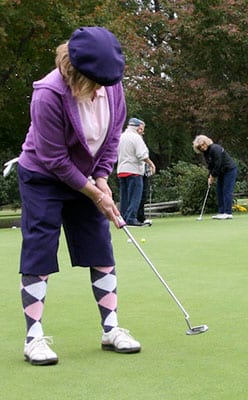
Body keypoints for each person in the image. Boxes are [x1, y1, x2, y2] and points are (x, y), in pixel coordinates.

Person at [16, 27, 141, 366]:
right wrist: (94, 193)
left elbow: (112, 137)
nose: (102, 87)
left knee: (100, 248)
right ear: (75, 72)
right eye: (95, 81)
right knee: (40, 249)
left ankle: (111, 329)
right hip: (43, 177)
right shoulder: (48, 94)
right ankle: (34, 338)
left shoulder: (112, 88)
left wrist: (101, 178)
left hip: (85, 176)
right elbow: (55, 159)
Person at [117, 118, 155, 226]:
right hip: (134, 170)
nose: (143, 131)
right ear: (138, 128)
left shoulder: (121, 136)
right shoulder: (136, 137)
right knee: (135, 196)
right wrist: (151, 164)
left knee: (124, 197)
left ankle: (124, 218)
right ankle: (131, 218)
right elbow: (141, 155)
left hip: (122, 170)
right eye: (142, 128)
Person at [192, 135, 238, 219]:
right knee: (219, 191)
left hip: (229, 170)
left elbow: (218, 164)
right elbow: (211, 166)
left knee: (227, 190)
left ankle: (228, 213)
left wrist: (213, 176)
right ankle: (221, 212)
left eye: (203, 144)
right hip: (221, 172)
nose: (202, 147)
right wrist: (209, 176)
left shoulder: (215, 148)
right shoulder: (206, 153)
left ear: (206, 142)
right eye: (200, 147)